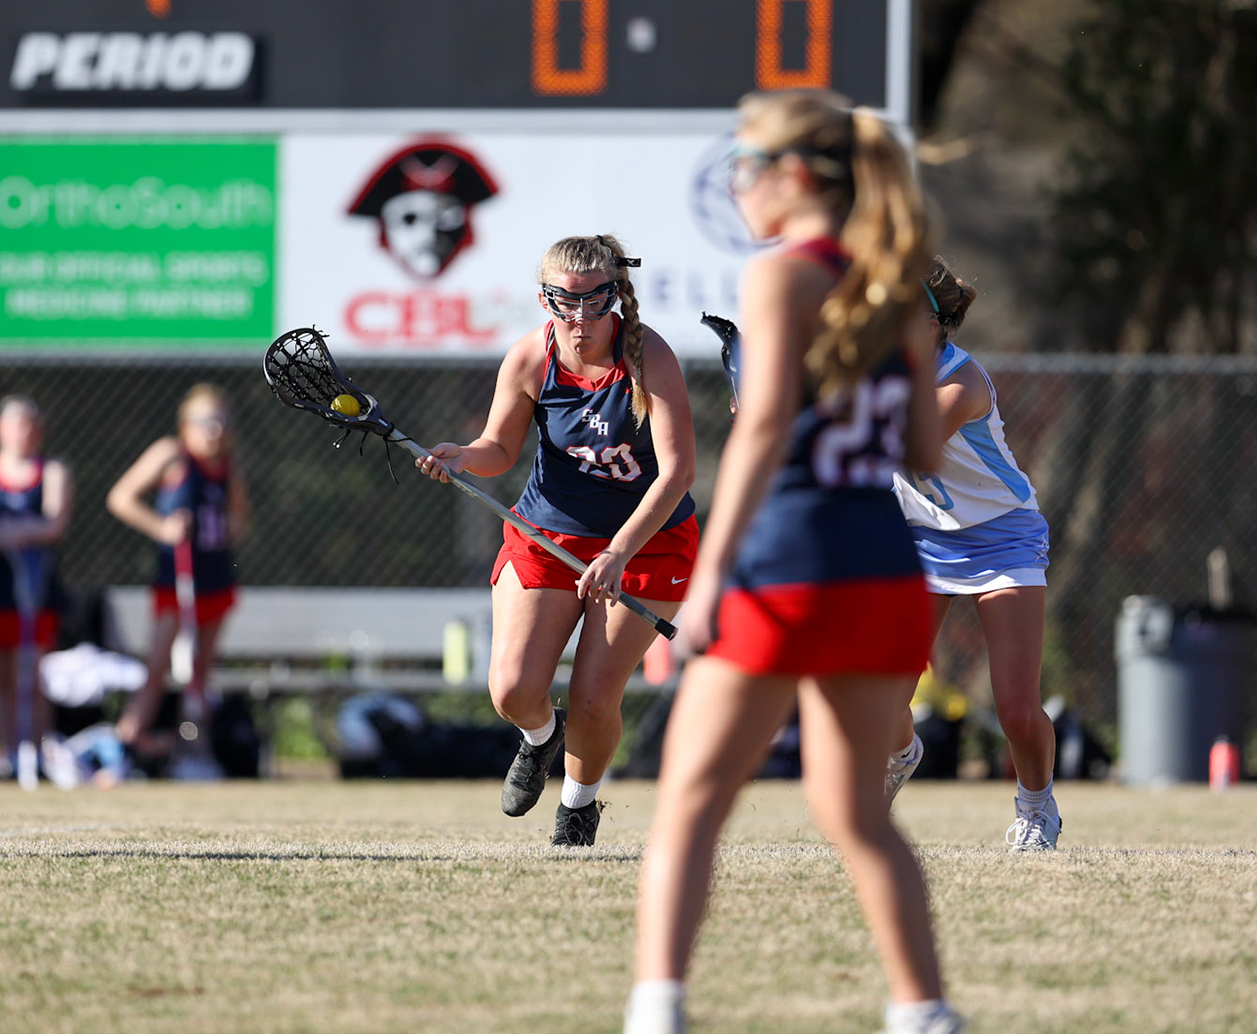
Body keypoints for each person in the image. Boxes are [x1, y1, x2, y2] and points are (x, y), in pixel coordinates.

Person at [625, 91, 963, 1034]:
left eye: (746, 169)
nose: (737, 188)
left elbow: (765, 426)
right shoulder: (894, 285)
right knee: (859, 818)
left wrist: (712, 581)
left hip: (791, 566)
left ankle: (657, 1012)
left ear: (796, 179)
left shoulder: (782, 276)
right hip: (884, 568)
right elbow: (924, 453)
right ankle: (924, 1013)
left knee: (691, 804)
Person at [416, 234, 697, 847]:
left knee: (597, 697)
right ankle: (542, 738)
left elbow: (677, 472)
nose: (578, 318)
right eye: (561, 301)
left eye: (594, 302)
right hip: (547, 533)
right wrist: (463, 456)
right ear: (543, 298)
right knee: (512, 689)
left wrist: (617, 552)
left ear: (615, 295)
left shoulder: (651, 358)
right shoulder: (529, 358)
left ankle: (577, 807)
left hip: (646, 542)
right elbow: (499, 449)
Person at [886, 257, 1060, 851]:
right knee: (882, 698)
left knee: (1014, 707)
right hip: (921, 537)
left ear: (934, 324)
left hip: (1002, 535)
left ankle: (1037, 809)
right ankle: (901, 754)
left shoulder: (962, 382)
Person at [108, 383, 252, 749]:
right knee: (158, 664)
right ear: (186, 424)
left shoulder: (226, 468)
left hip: (213, 575)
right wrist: (163, 527)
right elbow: (121, 498)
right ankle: (130, 739)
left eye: (221, 421)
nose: (215, 430)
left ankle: (195, 745)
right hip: (177, 576)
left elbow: (239, 519)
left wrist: (225, 529)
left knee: (201, 669)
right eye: (206, 421)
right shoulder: (171, 454)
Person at [0, 396, 72, 774]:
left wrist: (21, 531)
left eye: (29, 423)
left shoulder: (52, 473)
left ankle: (37, 752)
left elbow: (53, 526)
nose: (22, 431)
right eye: (14, 423)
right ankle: (10, 752)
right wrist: (0, 536)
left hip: (35, 591)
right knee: (1, 676)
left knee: (31, 673)